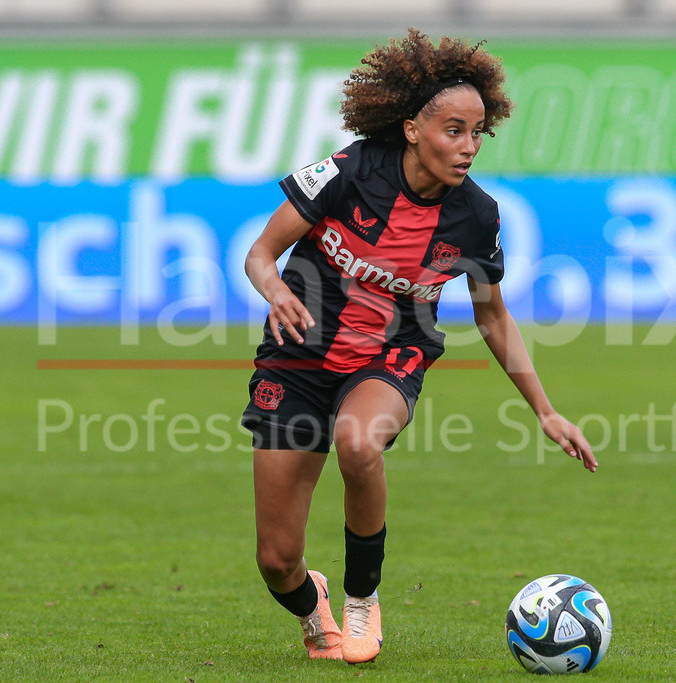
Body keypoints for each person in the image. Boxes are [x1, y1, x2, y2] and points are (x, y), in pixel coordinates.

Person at [240, 28, 597, 665]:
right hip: (297, 359)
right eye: (453, 130)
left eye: (478, 133)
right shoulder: (350, 172)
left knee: (357, 441)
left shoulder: (475, 216)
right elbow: (260, 254)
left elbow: (492, 315)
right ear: (411, 129)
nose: (468, 146)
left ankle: (361, 598)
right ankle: (314, 605)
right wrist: (276, 291)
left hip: (390, 356)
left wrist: (545, 410)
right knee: (276, 560)